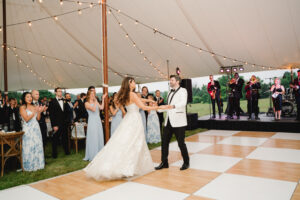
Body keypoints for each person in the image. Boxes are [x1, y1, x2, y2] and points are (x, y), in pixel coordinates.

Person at [84, 77, 161, 181]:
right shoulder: (132, 94)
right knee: (135, 142)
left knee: (128, 142)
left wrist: (148, 99)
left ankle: (130, 166)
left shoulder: (127, 94)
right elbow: (144, 107)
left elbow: (139, 100)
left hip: (130, 118)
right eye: (133, 81)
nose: (134, 83)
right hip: (134, 120)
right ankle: (130, 167)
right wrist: (160, 107)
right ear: (129, 83)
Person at [156, 75, 190, 171]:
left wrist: (172, 106)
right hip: (168, 122)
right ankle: (164, 162)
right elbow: (168, 106)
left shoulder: (183, 90)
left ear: (177, 81)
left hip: (179, 122)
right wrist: (158, 109)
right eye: (170, 80)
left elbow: (183, 103)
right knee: (164, 142)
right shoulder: (169, 92)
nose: (170, 81)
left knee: (181, 144)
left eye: (172, 80)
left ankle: (186, 162)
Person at [19, 92, 45, 171]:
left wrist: (39, 112)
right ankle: (29, 165)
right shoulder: (22, 107)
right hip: (28, 129)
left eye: (30, 97)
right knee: (29, 146)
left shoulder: (34, 106)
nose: (30, 98)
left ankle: (38, 164)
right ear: (24, 98)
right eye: (27, 97)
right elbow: (26, 119)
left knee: (37, 145)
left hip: (36, 128)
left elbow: (38, 119)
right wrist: (34, 112)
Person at [83, 90, 107, 161]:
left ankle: (100, 154)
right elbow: (93, 109)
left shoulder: (95, 102)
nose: (93, 95)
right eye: (92, 94)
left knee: (99, 136)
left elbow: (102, 108)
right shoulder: (86, 103)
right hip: (92, 121)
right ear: (89, 95)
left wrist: (102, 99)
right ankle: (93, 154)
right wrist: (96, 102)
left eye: (94, 94)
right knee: (93, 137)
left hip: (98, 121)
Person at [48, 87, 70, 158]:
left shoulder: (65, 101)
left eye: (61, 91)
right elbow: (51, 115)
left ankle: (67, 152)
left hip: (64, 123)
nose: (60, 92)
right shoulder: (52, 102)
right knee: (55, 139)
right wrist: (54, 125)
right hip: (56, 124)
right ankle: (54, 154)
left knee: (65, 138)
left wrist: (67, 121)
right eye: (59, 91)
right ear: (55, 92)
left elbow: (67, 112)